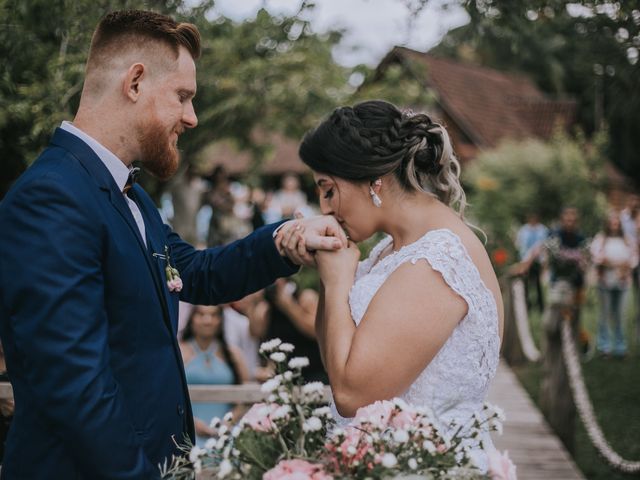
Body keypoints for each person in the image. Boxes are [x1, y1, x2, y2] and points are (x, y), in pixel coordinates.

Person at [0, 10, 345, 479]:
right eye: (183, 96)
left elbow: (196, 274)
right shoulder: (51, 198)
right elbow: (75, 386)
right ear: (136, 82)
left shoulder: (132, 195)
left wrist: (283, 241)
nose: (192, 117)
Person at [282, 100, 504, 470]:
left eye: (329, 189)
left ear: (373, 180)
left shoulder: (437, 261)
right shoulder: (392, 250)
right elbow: (337, 359)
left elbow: (351, 394)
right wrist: (331, 272)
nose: (324, 207)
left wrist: (338, 284)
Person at [179, 305, 248, 446]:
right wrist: (189, 421)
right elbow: (168, 395)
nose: (207, 320)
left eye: (214, 315)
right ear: (192, 319)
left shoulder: (233, 354)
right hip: (187, 431)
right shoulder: (179, 351)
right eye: (201, 314)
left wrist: (229, 421)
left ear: (221, 320)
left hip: (226, 434)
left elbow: (247, 394)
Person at [590, 212, 638, 357]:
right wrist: (615, 263)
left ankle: (620, 347)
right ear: (608, 224)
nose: (614, 225)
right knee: (604, 315)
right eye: (612, 222)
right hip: (605, 282)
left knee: (619, 315)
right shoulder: (600, 239)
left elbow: (634, 258)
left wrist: (626, 266)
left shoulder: (627, 240)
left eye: (617, 222)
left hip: (622, 283)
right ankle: (604, 346)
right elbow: (597, 258)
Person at [515, 213, 548, 311]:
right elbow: (520, 245)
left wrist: (544, 262)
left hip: (537, 261)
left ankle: (540, 305)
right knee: (526, 283)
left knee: (538, 284)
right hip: (525, 260)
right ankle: (527, 304)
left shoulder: (543, 230)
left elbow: (544, 246)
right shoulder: (523, 230)